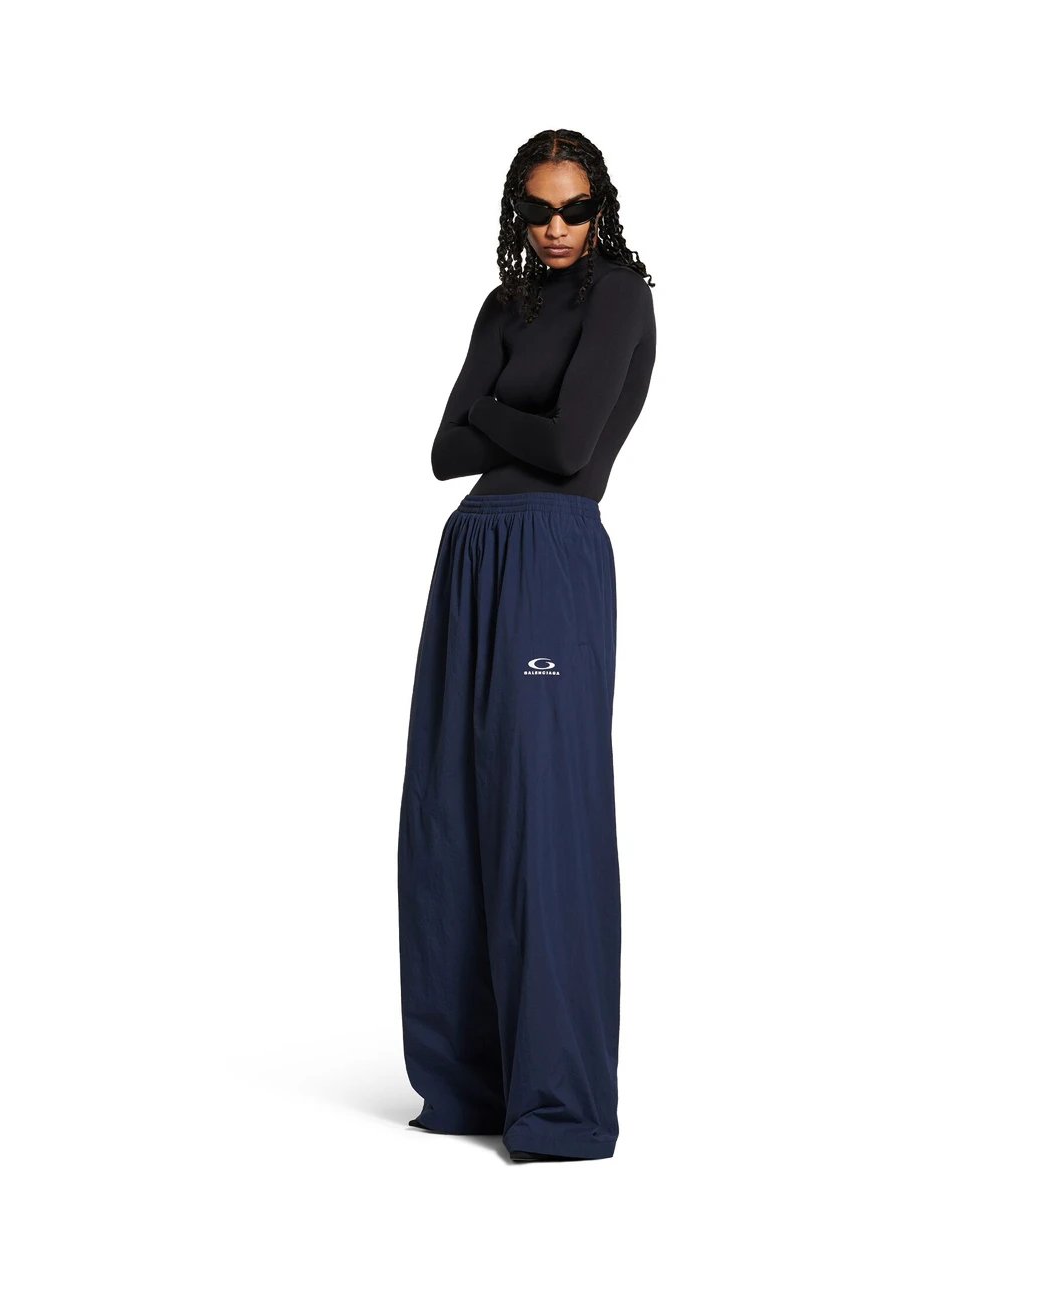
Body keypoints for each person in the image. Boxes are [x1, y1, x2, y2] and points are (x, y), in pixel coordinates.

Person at [397, 128, 656, 1163]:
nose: (556, 228)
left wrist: (494, 408)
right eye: (539, 210)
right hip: (470, 553)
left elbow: (570, 445)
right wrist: (516, 417)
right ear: (518, 212)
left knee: (543, 818)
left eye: (574, 209)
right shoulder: (504, 307)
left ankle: (558, 1102)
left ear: (602, 209)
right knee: (450, 813)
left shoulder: (619, 298)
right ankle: (471, 1085)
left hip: (550, 555)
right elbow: (440, 453)